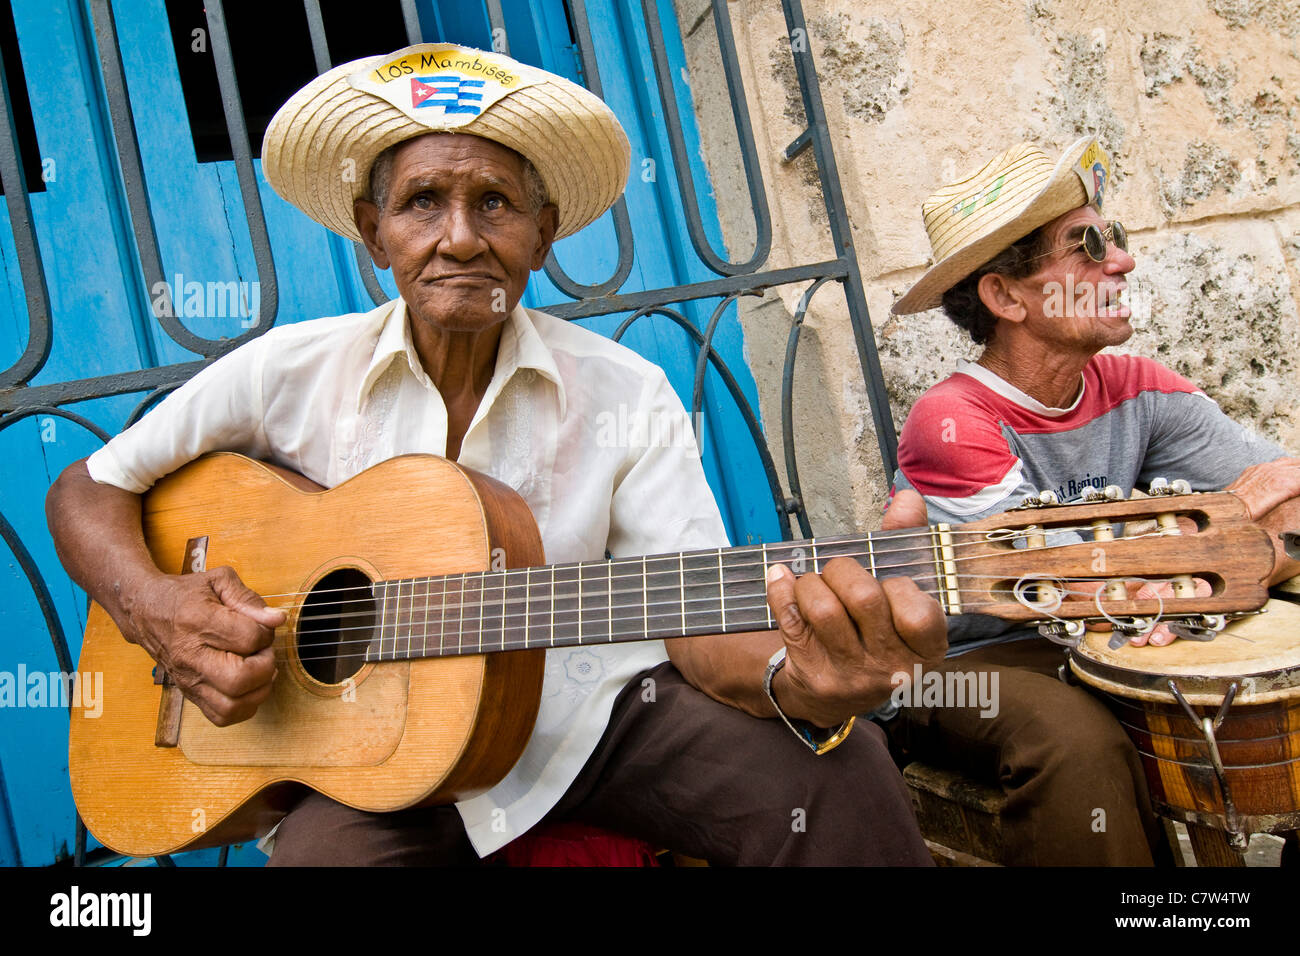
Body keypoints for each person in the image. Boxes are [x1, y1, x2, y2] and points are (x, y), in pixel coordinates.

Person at [45, 43, 944, 866]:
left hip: (597, 725)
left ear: (544, 233)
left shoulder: (627, 393)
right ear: (373, 229)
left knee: (842, 772)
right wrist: (155, 606)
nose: (462, 237)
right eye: (422, 202)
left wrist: (807, 678)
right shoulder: (287, 370)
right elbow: (87, 488)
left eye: (496, 204)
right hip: (368, 757)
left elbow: (703, 629)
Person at [883, 136, 1300, 865]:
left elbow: (1286, 488)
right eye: (1087, 247)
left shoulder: (1138, 384)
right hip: (967, 663)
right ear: (1006, 296)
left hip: (1108, 631)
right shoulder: (951, 421)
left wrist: (1236, 552)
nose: (1123, 261)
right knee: (1075, 741)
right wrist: (1209, 559)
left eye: (1117, 238)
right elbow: (1061, 586)